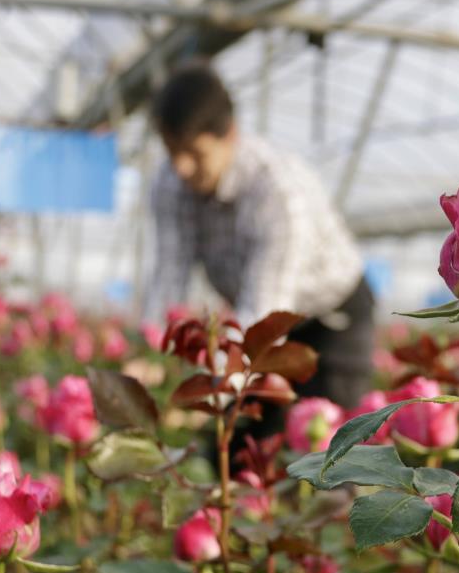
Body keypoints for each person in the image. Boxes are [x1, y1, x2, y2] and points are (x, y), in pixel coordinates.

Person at [145, 61, 374, 409]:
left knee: (331, 446)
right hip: (258, 316)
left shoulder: (275, 191)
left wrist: (214, 392)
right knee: (242, 444)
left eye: (195, 153)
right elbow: (169, 273)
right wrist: (154, 357)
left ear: (230, 135)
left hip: (330, 320)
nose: (182, 167)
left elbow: (265, 310)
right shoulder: (170, 182)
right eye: (173, 151)